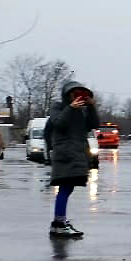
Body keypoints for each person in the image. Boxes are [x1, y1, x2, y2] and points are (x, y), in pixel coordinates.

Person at [43, 81, 99, 239]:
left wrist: (91, 107)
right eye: (75, 93)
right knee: (65, 188)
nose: (78, 97)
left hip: (78, 153)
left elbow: (94, 124)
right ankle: (59, 224)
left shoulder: (81, 111)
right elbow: (59, 123)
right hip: (65, 154)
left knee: (67, 188)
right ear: (67, 94)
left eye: (81, 94)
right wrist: (70, 108)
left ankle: (59, 222)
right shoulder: (58, 107)